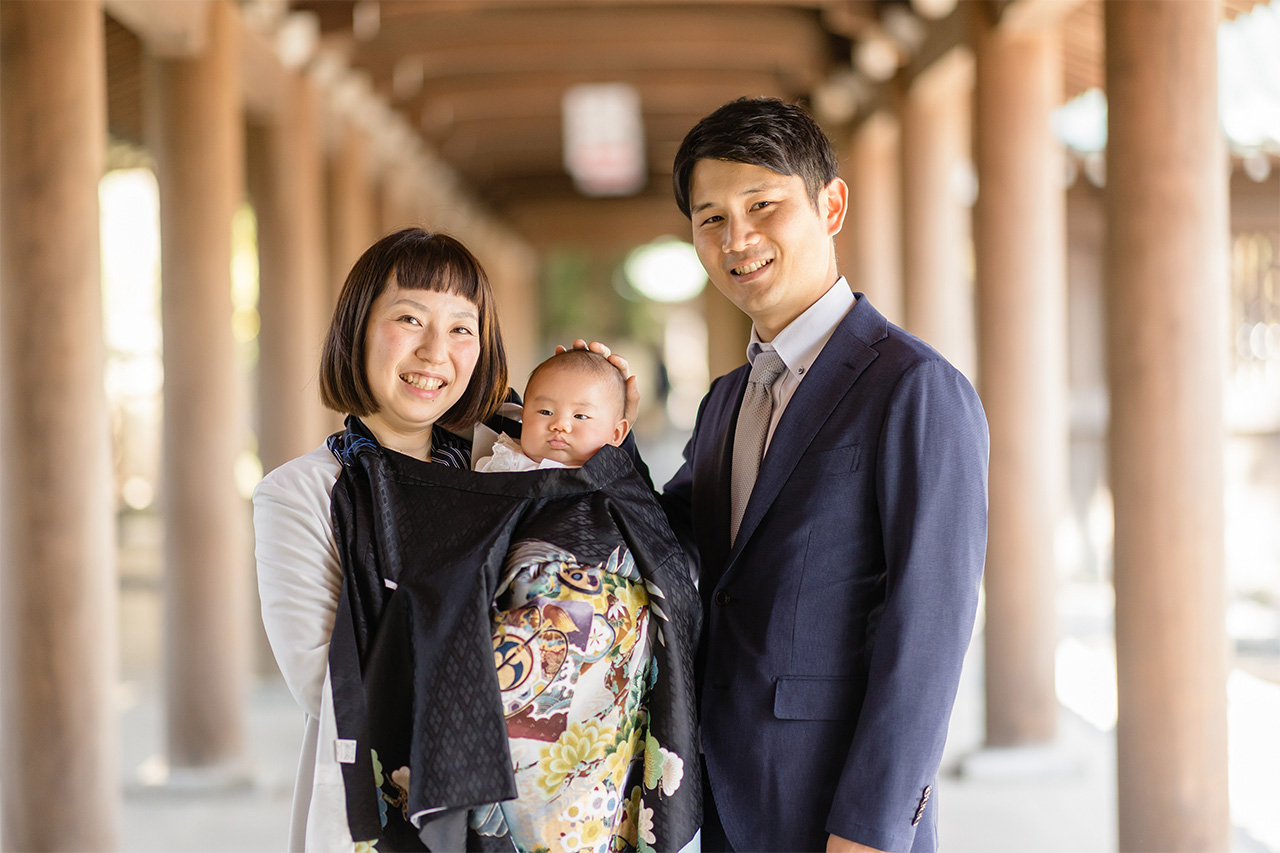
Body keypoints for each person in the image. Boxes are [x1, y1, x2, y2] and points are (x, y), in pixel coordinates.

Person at [253, 228, 699, 853]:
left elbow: (639, 539)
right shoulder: (305, 492)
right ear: (357, 328)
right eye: (409, 319)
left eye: (462, 328)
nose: (435, 352)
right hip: (408, 814)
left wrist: (601, 433)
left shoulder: (513, 453)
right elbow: (323, 680)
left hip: (578, 812)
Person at [659, 98, 990, 853]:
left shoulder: (914, 387)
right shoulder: (725, 400)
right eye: (711, 219)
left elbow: (928, 628)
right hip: (725, 806)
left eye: (762, 206)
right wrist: (576, 428)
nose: (737, 239)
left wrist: (871, 828)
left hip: (839, 813)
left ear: (830, 206)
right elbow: (670, 542)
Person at [474, 350, 630, 472]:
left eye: (580, 416)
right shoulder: (504, 464)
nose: (559, 425)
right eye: (546, 412)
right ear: (524, 417)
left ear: (616, 434)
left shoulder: (617, 482)